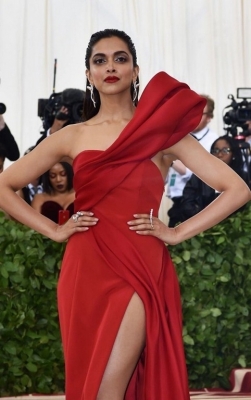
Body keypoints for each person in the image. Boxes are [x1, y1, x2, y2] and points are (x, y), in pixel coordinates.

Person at [0, 29, 249, 400]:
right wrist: (54, 230)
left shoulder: (163, 135)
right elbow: (5, 186)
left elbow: (238, 189)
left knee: (106, 389)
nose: (110, 67)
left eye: (120, 58)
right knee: (90, 386)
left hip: (141, 266)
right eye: (99, 60)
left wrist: (177, 233)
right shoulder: (73, 135)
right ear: (89, 74)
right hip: (84, 267)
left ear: (135, 71)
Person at [166, 94, 219, 227]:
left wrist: (168, 158)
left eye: (200, 113)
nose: (194, 116)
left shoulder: (214, 141)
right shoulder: (180, 135)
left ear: (209, 118)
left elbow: (194, 172)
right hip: (177, 202)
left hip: (197, 203)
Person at [177, 135, 249, 221]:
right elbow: (187, 203)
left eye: (225, 150)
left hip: (234, 228)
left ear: (233, 154)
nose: (219, 154)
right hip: (202, 227)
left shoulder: (243, 177)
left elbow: (245, 207)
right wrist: (205, 220)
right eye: (216, 150)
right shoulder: (199, 175)